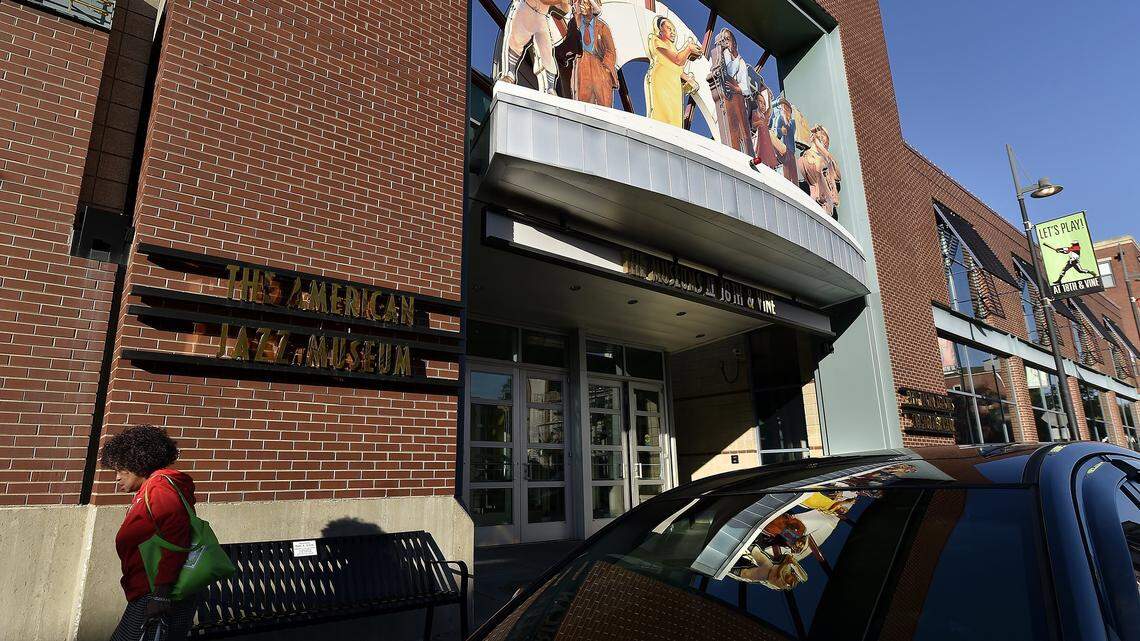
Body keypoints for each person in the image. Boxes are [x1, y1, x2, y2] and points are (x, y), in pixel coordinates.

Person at [101, 425, 197, 641]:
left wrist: (161, 596)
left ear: (139, 464)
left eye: (121, 470)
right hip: (150, 590)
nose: (116, 477)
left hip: (157, 593)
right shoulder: (149, 490)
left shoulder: (159, 488)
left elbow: (176, 542)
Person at [500, 0, 570, 94]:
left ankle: (550, 88)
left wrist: (564, 2)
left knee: (546, 52)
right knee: (516, 40)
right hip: (526, 8)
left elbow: (565, 9)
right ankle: (509, 74)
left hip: (542, 16)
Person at [646, 16, 702, 127]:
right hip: (662, 81)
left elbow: (677, 69)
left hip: (674, 85)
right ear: (660, 30)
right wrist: (689, 49)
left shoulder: (672, 47)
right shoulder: (656, 40)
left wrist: (689, 80)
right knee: (664, 115)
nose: (673, 32)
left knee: (675, 119)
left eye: (673, 30)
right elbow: (677, 60)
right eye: (669, 29)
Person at [561, 0, 617, 106]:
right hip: (582, 65)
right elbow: (568, 44)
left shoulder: (602, 27)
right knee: (584, 104)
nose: (582, 6)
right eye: (581, 3)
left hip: (599, 66)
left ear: (592, 7)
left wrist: (605, 70)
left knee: (604, 105)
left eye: (585, 3)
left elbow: (610, 51)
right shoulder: (575, 23)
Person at [708, 28, 753, 156]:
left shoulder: (741, 61)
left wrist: (736, 89)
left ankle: (747, 155)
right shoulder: (722, 55)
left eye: (728, 39)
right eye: (724, 39)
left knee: (743, 131)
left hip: (738, 98)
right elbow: (727, 72)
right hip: (727, 97)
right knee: (731, 128)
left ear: (733, 41)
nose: (727, 42)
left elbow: (745, 87)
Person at [798, 124, 841, 218]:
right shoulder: (809, 159)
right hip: (818, 206)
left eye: (825, 139)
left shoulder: (828, 162)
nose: (825, 144)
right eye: (821, 139)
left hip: (828, 211)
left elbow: (836, 175)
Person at [769, 96, 798, 183]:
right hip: (784, 150)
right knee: (786, 173)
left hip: (791, 151)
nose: (786, 111)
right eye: (784, 109)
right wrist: (781, 131)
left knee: (793, 175)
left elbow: (793, 130)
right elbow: (777, 132)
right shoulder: (780, 119)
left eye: (788, 110)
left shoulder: (792, 123)